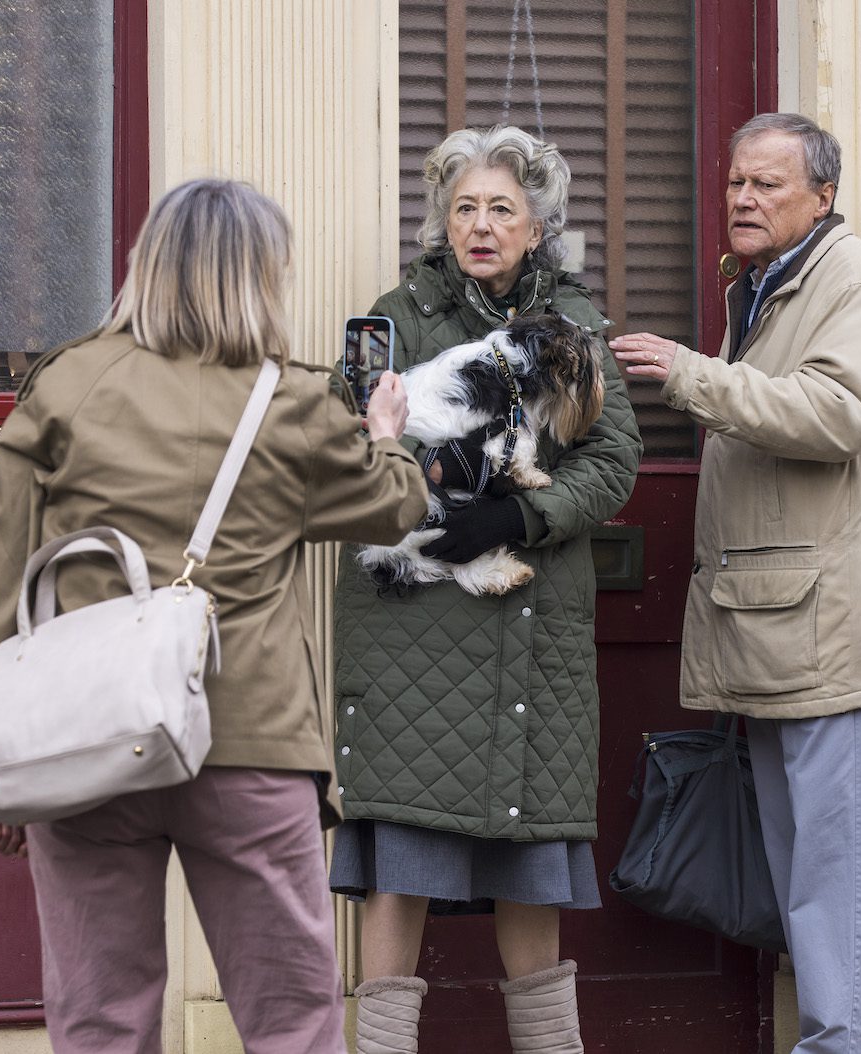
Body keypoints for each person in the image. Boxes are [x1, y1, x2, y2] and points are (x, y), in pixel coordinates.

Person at [0, 178, 429, 1054]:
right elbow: (395, 507)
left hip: (85, 738)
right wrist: (387, 430)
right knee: (291, 1019)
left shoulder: (69, 384)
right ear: (261, 278)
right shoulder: (293, 401)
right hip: (250, 741)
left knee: (100, 1019)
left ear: (146, 265)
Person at [611, 113, 861, 1054]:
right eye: (735, 184)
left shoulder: (855, 280)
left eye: (769, 186)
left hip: (830, 633)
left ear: (824, 197)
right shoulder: (765, 284)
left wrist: (692, 376)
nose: (743, 200)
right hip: (781, 627)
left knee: (830, 880)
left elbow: (839, 414)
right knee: (819, 878)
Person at [328, 125, 641, 1054]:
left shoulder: (576, 330)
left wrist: (515, 520)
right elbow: (353, 446)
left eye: (502, 208)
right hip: (413, 627)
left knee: (528, 863)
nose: (480, 224)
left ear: (538, 226)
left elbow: (616, 461)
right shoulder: (396, 315)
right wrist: (433, 487)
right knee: (402, 864)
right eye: (464, 207)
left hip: (528, 624)